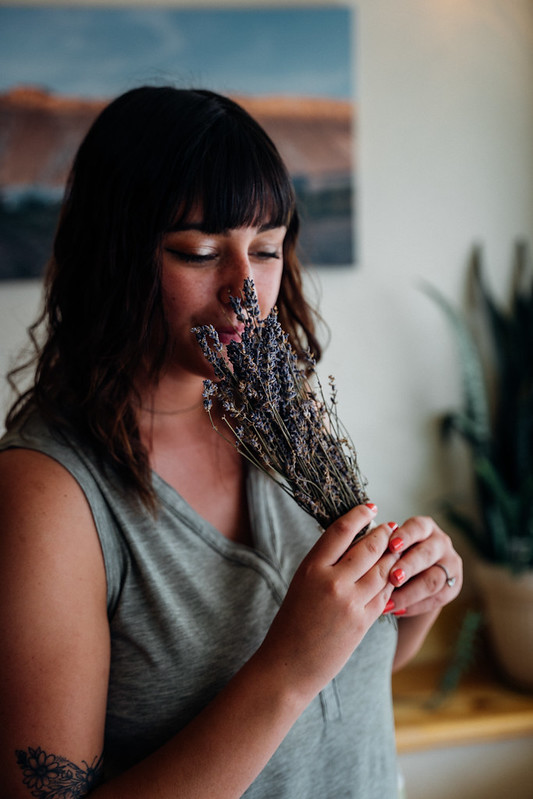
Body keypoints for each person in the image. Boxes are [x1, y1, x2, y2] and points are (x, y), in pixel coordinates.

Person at [0, 86, 462, 799]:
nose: (244, 286)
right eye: (198, 251)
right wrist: (284, 670)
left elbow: (347, 684)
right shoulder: (49, 494)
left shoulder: (279, 416)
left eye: (268, 248)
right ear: (112, 256)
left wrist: (414, 598)